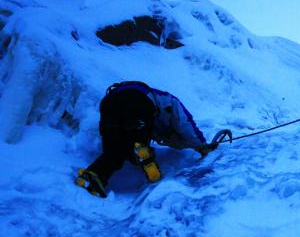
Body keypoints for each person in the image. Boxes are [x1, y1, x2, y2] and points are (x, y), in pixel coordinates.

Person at [76, 81, 220, 198]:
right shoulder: (169, 99)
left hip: (108, 105)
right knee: (139, 136)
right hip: (137, 100)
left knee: (114, 150)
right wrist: (201, 145)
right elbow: (185, 123)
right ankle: (142, 151)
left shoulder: (155, 113)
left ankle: (93, 176)